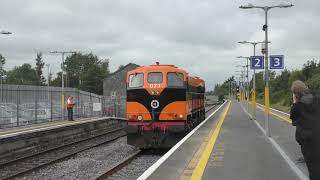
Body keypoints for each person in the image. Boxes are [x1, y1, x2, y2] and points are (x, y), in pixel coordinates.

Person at [290, 80, 320, 180]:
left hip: (308, 143)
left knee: (314, 171)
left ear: (295, 93)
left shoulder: (296, 107)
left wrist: (294, 102)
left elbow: (294, 122)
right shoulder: (318, 99)